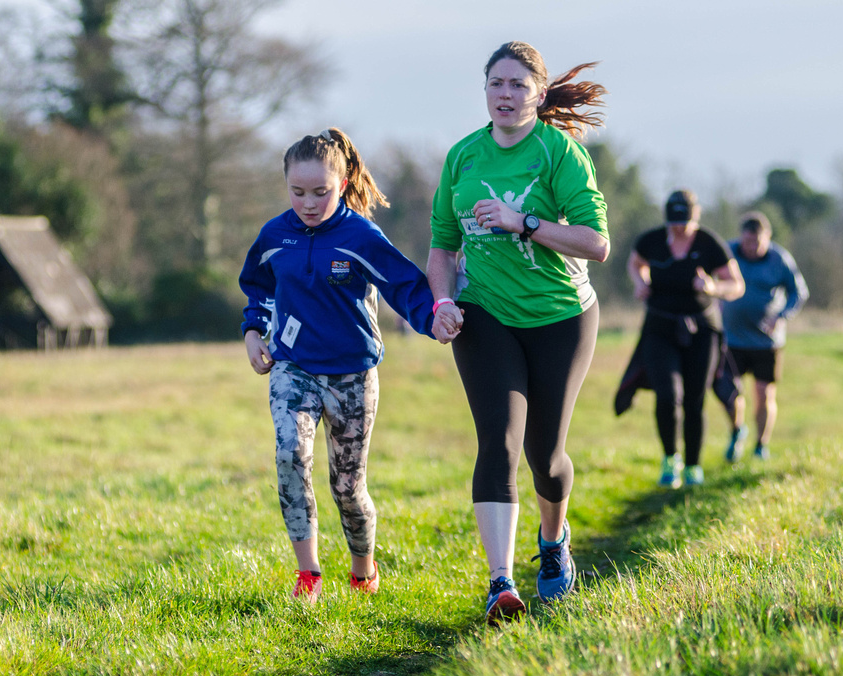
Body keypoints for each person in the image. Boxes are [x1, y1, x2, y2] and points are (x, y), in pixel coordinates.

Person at [426, 41, 610, 624]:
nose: (505, 95)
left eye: (517, 86)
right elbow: (440, 248)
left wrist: (522, 222)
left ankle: (554, 543)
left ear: (537, 93)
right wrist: (443, 301)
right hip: (486, 315)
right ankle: (501, 582)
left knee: (545, 457)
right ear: (485, 91)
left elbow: (596, 244)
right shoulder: (462, 157)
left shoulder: (560, 153)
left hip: (561, 317)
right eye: (496, 84)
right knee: (498, 444)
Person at [239, 127, 438, 604]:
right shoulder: (274, 235)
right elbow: (258, 288)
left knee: (347, 486)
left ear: (344, 183)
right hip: (294, 368)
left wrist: (437, 318)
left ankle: (363, 569)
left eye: (321, 192)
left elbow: (404, 285)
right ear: (286, 184)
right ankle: (308, 574)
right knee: (290, 456)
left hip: (352, 374)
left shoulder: (360, 236)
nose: (308, 202)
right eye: (298, 191)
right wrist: (252, 331)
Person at [627, 189, 745, 489]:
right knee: (667, 395)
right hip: (659, 327)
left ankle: (693, 466)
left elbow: (736, 285)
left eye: (685, 222)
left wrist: (712, 288)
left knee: (695, 399)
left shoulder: (709, 244)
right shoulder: (652, 240)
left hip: (702, 330)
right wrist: (641, 282)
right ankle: (671, 460)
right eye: (674, 222)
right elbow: (635, 262)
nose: (679, 228)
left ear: (697, 217)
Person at [720, 211, 809, 462]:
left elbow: (798, 292)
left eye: (757, 242)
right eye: (747, 242)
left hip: (766, 342)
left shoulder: (779, 259)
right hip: (731, 339)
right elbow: (711, 277)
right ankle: (737, 431)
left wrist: (781, 315)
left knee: (763, 393)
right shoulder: (728, 252)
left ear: (768, 238)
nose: (751, 247)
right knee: (729, 392)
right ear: (741, 238)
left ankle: (761, 445)